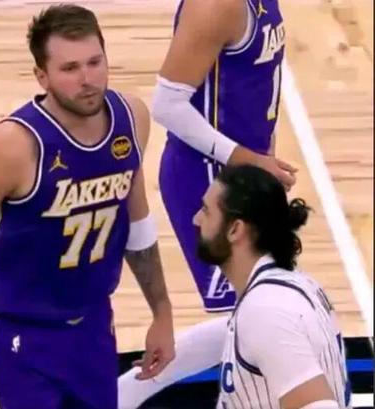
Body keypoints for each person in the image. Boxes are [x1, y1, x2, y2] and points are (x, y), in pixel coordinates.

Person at [0, 4, 175, 408]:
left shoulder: (131, 118)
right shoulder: (13, 146)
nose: (87, 79)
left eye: (95, 62)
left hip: (92, 329)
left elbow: (135, 218)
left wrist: (162, 312)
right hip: (16, 341)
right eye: (70, 69)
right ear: (41, 76)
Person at [118, 0, 298, 402]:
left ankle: (123, 396)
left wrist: (264, 161)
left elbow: (256, 86)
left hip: (247, 176)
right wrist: (251, 160)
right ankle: (123, 396)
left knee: (261, 311)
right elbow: (167, 105)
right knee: (255, 317)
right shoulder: (215, 6)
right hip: (206, 180)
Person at [124, 165, 352, 409]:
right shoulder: (291, 287)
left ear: (235, 230)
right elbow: (237, 334)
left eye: (206, 211)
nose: (196, 219)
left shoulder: (266, 311)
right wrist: (137, 381)